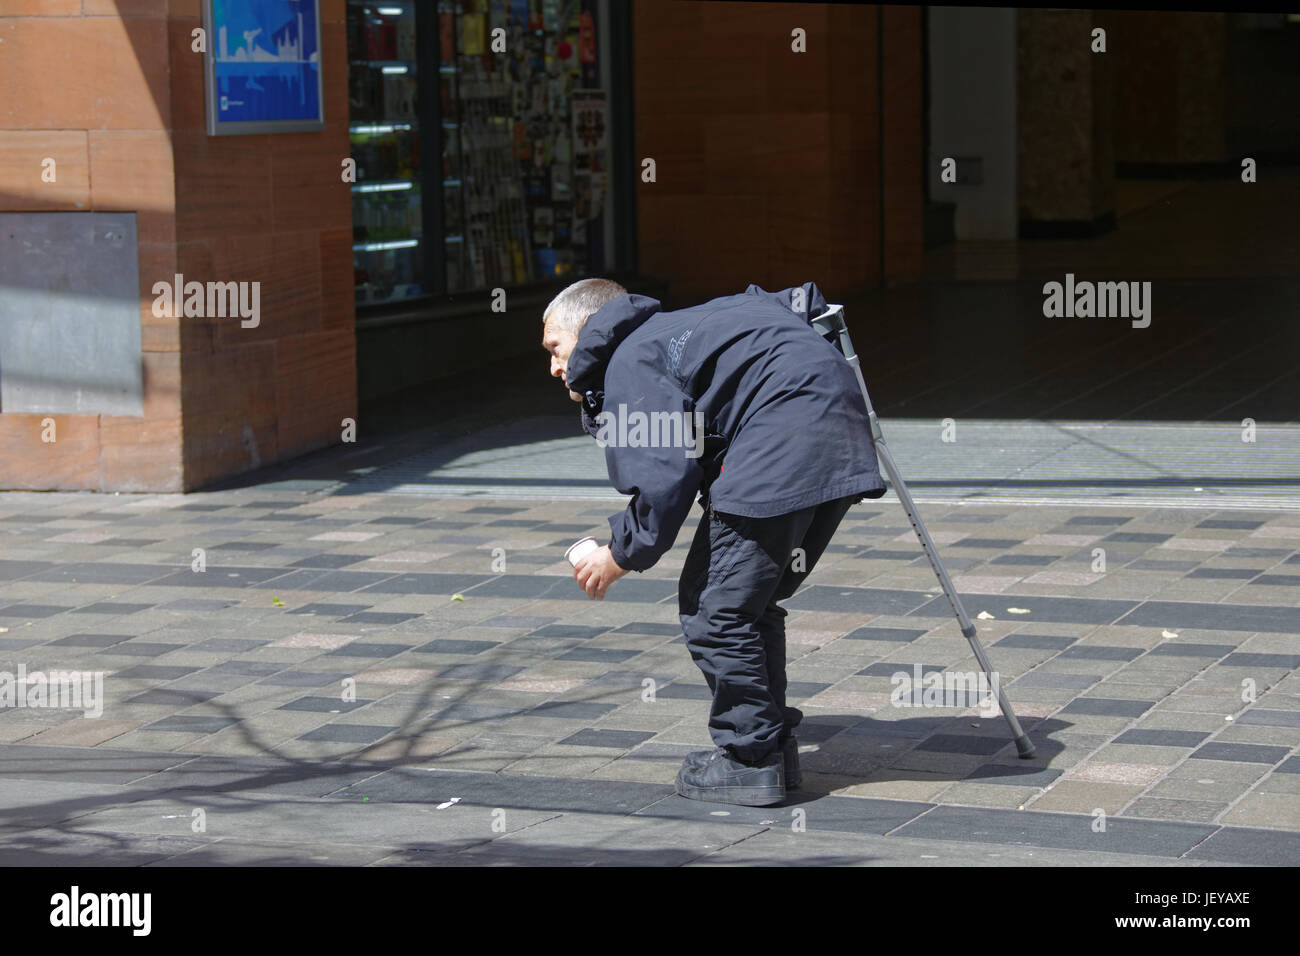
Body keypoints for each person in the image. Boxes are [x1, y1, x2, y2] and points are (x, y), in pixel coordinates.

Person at [541, 277, 887, 806]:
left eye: (555, 348)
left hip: (780, 442)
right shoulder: (682, 328)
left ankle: (751, 761)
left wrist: (619, 553)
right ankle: (772, 749)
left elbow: (662, 476)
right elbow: (794, 307)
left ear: (586, 328)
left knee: (714, 609)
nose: (554, 367)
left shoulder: (633, 357)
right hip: (838, 436)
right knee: (747, 604)